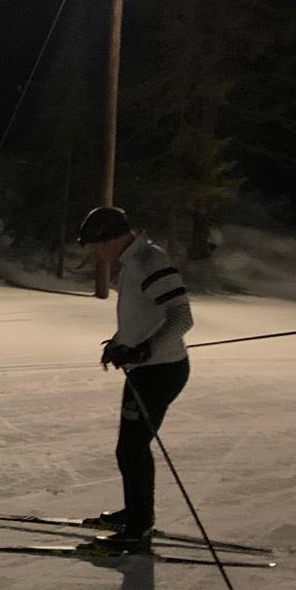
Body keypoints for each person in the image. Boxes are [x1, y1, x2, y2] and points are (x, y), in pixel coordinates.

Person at [77, 206, 194, 552]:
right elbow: (142, 316)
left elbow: (182, 317)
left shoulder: (149, 261)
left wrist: (146, 350)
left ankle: (138, 527)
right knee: (130, 447)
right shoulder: (134, 261)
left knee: (132, 448)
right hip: (148, 369)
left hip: (161, 371)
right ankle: (135, 515)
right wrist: (120, 343)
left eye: (95, 245)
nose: (95, 253)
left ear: (110, 238)